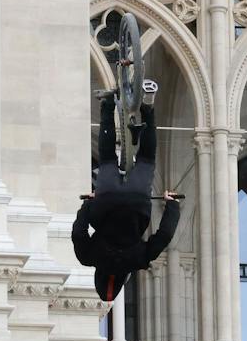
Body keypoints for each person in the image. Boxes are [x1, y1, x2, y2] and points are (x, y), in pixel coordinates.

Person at [72, 92, 181, 302]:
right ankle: (107, 105)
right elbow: (79, 232)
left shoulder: (139, 261)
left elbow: (165, 235)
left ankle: (148, 110)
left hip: (136, 202)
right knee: (107, 158)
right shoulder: (88, 258)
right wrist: (88, 204)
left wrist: (172, 204)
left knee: (147, 159)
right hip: (106, 201)